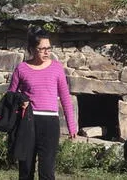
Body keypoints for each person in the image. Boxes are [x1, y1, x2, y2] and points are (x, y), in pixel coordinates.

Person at [8, 25, 77, 180]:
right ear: (32, 49)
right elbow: (10, 95)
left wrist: (71, 125)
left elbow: (65, 96)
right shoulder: (22, 69)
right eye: (42, 48)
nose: (47, 52)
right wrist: (21, 100)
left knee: (47, 171)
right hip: (28, 122)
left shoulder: (57, 68)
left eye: (49, 48)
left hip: (50, 123)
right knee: (26, 169)